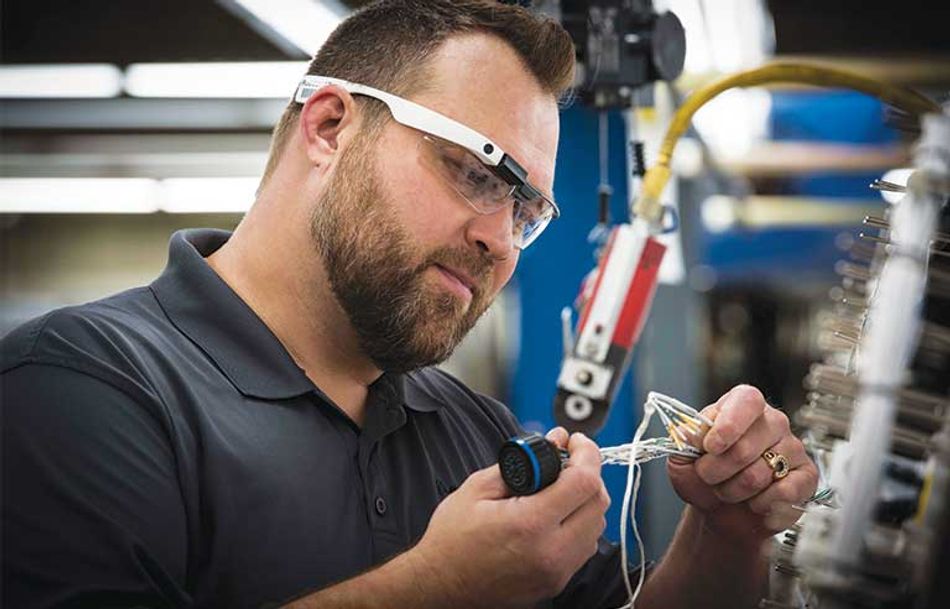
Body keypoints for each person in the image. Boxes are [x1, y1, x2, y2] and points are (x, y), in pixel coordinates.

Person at [1, 1, 819, 608]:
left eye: (527, 214)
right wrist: (438, 587)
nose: (501, 241)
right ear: (328, 125)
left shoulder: (473, 433)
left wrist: (726, 531)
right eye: (476, 171)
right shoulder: (75, 392)